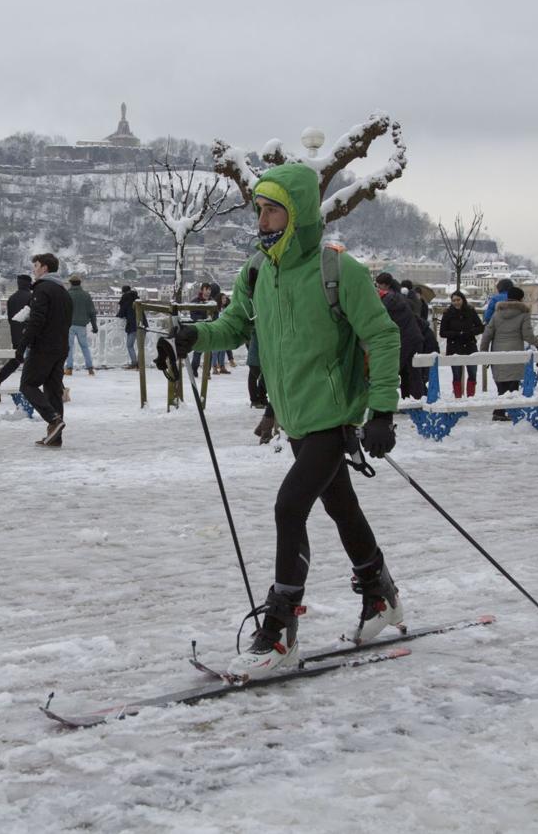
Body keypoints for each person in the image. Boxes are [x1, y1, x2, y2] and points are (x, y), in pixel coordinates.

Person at [172, 163, 402, 678]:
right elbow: (233, 325)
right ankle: (379, 594)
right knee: (341, 507)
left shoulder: (339, 270)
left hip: (333, 415)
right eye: (259, 209)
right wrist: (195, 336)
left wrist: (382, 411)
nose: (264, 218)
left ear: (296, 212)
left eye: (273, 208)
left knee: (289, 507)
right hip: (295, 416)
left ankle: (280, 630)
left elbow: (383, 337)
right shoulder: (258, 269)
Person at [17, 253, 72, 447]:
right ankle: (55, 437)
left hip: (43, 347)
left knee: (27, 385)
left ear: (45, 268)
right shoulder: (63, 291)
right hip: (61, 347)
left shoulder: (42, 289)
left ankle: (53, 419)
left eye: (37, 265)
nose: (34, 269)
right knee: (53, 390)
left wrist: (23, 344)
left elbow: (37, 320)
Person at [480, 286, 538, 421]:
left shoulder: (497, 313)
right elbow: (527, 335)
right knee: (512, 385)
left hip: (498, 354)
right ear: (521, 298)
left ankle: (499, 412)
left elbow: (487, 334)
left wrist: (484, 353)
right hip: (515, 354)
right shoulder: (523, 314)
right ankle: (506, 412)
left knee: (501, 385)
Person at [375, 272, 425, 399]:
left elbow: (380, 319)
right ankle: (414, 399)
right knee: (412, 371)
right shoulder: (399, 296)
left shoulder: (389, 300)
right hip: (414, 337)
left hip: (404, 339)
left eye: (378, 286)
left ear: (385, 285)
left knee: (393, 370)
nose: (377, 288)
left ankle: (388, 400)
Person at [439, 291, 484, 398]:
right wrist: (457, 334)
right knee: (456, 375)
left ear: (463, 300)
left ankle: (470, 396)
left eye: (458, 300)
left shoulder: (471, 311)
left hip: (470, 345)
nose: (456, 302)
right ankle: (458, 397)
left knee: (472, 373)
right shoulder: (447, 313)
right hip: (454, 347)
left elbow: (480, 327)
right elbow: (442, 332)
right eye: (453, 300)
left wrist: (469, 332)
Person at [65, 275, 97, 375]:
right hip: (82, 325)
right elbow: (92, 312)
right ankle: (90, 368)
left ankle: (69, 369)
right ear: (80, 283)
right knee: (85, 347)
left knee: (69, 347)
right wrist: (94, 326)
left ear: (70, 283)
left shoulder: (67, 294)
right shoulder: (86, 295)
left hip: (69, 325)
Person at [116, 285, 146, 369]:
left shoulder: (125, 298)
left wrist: (119, 315)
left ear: (123, 291)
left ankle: (134, 363)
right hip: (143, 325)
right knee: (140, 346)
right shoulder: (137, 298)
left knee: (129, 345)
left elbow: (121, 313)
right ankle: (140, 364)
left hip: (133, 326)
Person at [7, 274, 33, 349]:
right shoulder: (33, 297)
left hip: (15, 339)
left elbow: (10, 319)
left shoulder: (11, 298)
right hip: (30, 338)